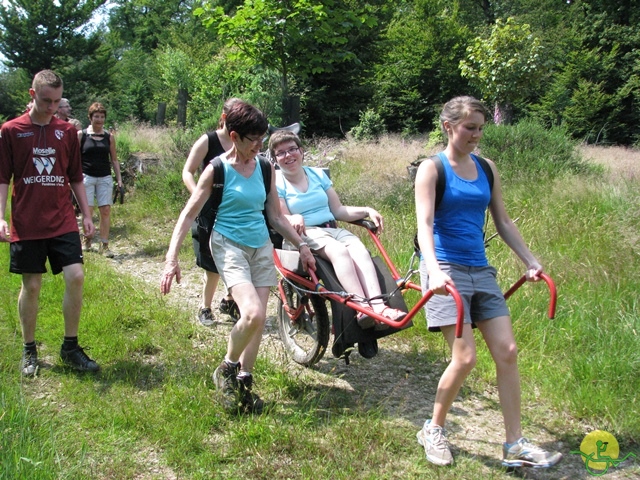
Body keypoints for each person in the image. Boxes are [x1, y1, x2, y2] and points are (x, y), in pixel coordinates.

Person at [414, 96, 562, 468]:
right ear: (449, 127)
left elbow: (504, 222)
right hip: (445, 269)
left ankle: (515, 445)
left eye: (480, 128)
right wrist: (433, 270)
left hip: (480, 270)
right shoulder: (432, 169)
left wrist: (530, 261)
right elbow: (425, 225)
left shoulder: (486, 168)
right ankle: (433, 429)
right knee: (464, 358)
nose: (476, 135)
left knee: (508, 352)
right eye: (469, 128)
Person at [160, 101, 315, 414]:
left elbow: (275, 216)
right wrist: (170, 259)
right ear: (234, 135)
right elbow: (188, 214)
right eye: (253, 141)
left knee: (255, 323)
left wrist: (301, 245)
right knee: (254, 313)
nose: (259, 147)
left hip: (259, 245)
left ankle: (243, 383)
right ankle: (227, 368)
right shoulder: (216, 169)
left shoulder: (265, 168)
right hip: (227, 244)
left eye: (262, 140)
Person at [0, 69, 99, 376]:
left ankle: (70, 346)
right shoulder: (11, 131)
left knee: (76, 276)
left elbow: (75, 177)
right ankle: (29, 350)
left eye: (57, 101)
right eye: (46, 101)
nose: (52, 107)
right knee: (31, 286)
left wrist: (86, 214)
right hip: (28, 221)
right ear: (33, 95)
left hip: (62, 219)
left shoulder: (67, 131)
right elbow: (3, 178)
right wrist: (0, 216)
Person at [270, 130, 406, 327]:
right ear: (275, 159)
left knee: (359, 250)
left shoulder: (317, 174)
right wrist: (295, 217)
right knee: (340, 252)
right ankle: (361, 308)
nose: (288, 155)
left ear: (301, 151)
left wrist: (367, 210)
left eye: (292, 149)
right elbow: (282, 217)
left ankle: (379, 306)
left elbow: (339, 210)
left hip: (331, 229)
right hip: (305, 233)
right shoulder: (277, 181)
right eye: (281, 153)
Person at [182, 98, 239, 326]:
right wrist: (198, 194)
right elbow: (188, 171)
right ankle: (205, 307)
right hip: (208, 210)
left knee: (237, 257)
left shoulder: (242, 141)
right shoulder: (208, 140)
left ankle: (229, 301)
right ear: (224, 118)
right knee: (212, 264)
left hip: (235, 210)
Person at [78, 102, 123, 257]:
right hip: (86, 176)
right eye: (96, 116)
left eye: (102, 117)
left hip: (104, 176)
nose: (99, 120)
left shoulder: (109, 137)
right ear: (90, 117)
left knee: (105, 210)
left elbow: (114, 160)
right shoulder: (81, 135)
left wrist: (119, 180)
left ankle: (104, 244)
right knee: (88, 211)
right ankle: (88, 240)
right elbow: (74, 159)